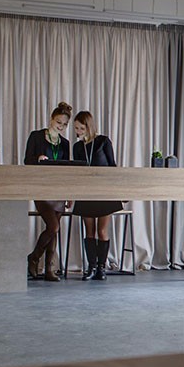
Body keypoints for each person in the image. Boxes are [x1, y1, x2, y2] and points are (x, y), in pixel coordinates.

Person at [23, 101, 72, 281]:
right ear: (51, 119)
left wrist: (70, 194)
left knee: (54, 230)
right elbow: (26, 160)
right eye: (59, 122)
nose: (61, 126)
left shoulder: (65, 143)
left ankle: (49, 269)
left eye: (65, 124)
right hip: (41, 188)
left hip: (59, 189)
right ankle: (34, 257)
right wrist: (38, 158)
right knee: (53, 226)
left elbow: (68, 170)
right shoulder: (36, 136)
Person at [71, 110, 122, 281]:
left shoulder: (103, 141)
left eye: (81, 128)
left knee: (102, 230)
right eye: (76, 128)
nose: (78, 131)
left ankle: (102, 267)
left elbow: (113, 166)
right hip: (85, 192)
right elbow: (75, 173)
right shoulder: (77, 147)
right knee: (90, 231)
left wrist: (119, 191)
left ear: (89, 127)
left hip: (105, 191)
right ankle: (91, 267)